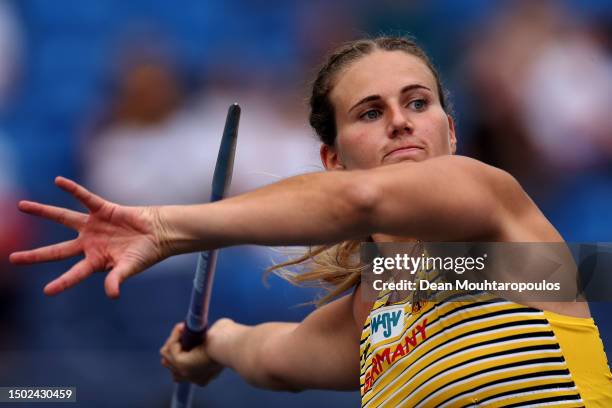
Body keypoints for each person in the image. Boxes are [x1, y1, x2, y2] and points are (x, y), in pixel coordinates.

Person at [10, 37, 612, 407]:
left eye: (419, 103)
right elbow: (276, 355)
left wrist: (169, 227)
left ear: (451, 133)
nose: (402, 122)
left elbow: (360, 202)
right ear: (332, 159)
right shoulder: (377, 308)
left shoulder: (490, 204)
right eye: (371, 112)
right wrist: (212, 343)